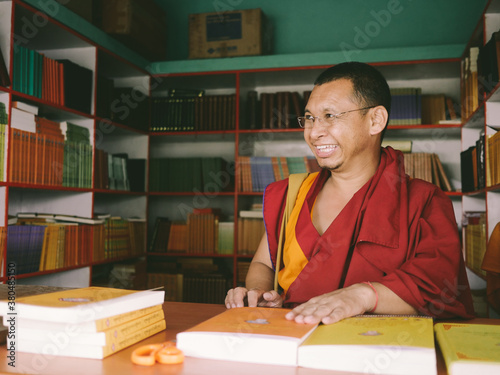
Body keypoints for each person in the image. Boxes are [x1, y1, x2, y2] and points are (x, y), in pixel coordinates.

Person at [225, 61, 475, 325]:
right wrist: (259, 292)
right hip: (292, 335)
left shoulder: (423, 201)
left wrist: (362, 296)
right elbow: (264, 265)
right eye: (309, 118)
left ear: (375, 120)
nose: (314, 132)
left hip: (375, 348)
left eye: (330, 116)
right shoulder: (293, 193)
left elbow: (438, 291)